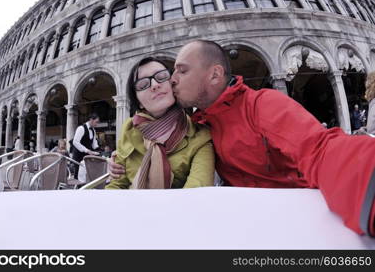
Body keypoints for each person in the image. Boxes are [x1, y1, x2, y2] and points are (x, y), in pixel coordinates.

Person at [109, 40, 375, 237]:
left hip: (303, 225)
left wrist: (368, 184)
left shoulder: (261, 106)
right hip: (252, 228)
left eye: (180, 71)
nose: (171, 81)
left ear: (214, 75)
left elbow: (320, 149)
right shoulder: (202, 123)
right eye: (144, 84)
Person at [106, 57, 214, 189]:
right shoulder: (129, 129)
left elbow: (195, 196)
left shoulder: (200, 136)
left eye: (161, 76)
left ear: (172, 83)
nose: (154, 85)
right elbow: (117, 185)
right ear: (138, 101)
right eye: (142, 84)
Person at [71, 113, 101, 179]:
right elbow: (75, 142)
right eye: (96, 122)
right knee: (78, 176)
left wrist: (99, 151)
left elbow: (94, 144)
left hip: (87, 157)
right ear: (91, 120)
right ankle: (77, 188)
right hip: (78, 157)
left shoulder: (93, 130)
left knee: (87, 175)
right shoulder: (81, 128)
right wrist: (87, 150)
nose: (97, 124)